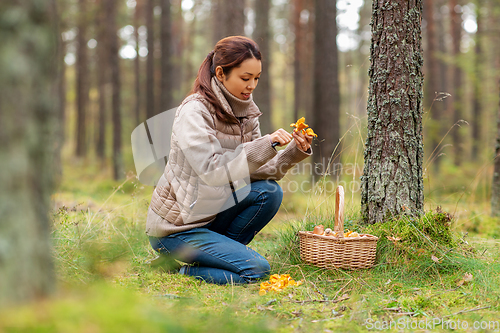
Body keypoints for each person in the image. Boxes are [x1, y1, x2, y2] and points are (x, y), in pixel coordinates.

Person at [146, 36, 313, 285]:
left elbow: (260, 169)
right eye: (245, 78)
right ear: (221, 73)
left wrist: (293, 151)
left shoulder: (246, 112)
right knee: (256, 271)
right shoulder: (194, 112)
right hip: (177, 229)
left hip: (211, 215)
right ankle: (180, 269)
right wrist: (265, 144)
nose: (252, 85)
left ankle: (217, 255)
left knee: (269, 191)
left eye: (256, 78)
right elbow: (211, 170)